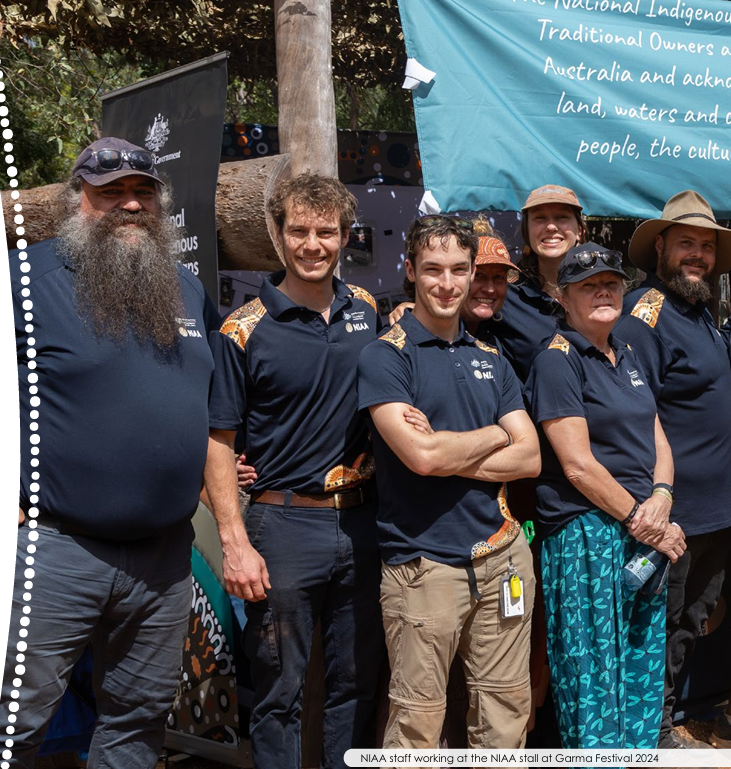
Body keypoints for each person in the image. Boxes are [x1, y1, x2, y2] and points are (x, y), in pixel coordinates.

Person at [0, 137, 219, 768]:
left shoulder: (184, 288)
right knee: (12, 722)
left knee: (138, 723)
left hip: (163, 560)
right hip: (56, 548)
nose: (129, 205)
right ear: (76, 201)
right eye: (110, 192)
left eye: (142, 192)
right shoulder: (22, 278)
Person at [204, 174, 384, 769]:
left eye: (326, 231)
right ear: (279, 237)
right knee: (279, 693)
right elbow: (218, 440)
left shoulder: (368, 311)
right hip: (281, 529)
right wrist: (234, 542)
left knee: (355, 686)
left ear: (345, 236)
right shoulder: (242, 329)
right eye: (299, 231)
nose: (313, 244)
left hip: (361, 525)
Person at [357, 214, 541, 749]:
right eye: (433, 269)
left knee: (506, 710)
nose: (448, 283)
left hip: (502, 557)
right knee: (416, 723)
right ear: (410, 270)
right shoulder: (385, 355)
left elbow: (529, 457)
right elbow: (420, 457)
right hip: (423, 565)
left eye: (459, 269)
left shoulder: (492, 357)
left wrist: (446, 447)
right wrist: (492, 435)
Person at [525, 242, 686, 749]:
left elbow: (658, 439)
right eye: (588, 285)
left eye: (611, 283)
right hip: (586, 536)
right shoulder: (557, 361)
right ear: (563, 297)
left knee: (640, 667)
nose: (603, 292)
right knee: (592, 678)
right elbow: (577, 466)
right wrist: (646, 519)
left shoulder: (629, 352)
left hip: (641, 533)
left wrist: (661, 499)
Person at [616, 190, 731, 750]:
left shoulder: (699, 311)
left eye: (706, 247)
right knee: (660, 630)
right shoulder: (646, 314)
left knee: (691, 624)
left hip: (717, 513)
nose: (698, 255)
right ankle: (651, 734)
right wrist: (654, 505)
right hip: (675, 517)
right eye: (686, 242)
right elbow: (634, 417)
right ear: (659, 246)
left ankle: (661, 729)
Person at [485, 184, 588, 382]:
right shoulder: (506, 294)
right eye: (540, 218)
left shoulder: (602, 290)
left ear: (580, 231)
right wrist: (411, 307)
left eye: (562, 217)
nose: (551, 226)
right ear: (527, 231)